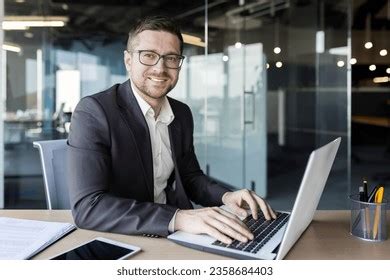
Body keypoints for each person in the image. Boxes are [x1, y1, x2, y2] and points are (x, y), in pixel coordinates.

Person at [67, 15, 276, 245]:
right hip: (123, 237)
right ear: (128, 61)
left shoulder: (181, 114)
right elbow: (88, 207)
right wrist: (179, 218)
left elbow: (190, 177)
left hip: (176, 233)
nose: (160, 68)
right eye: (148, 56)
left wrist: (226, 196)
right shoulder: (95, 112)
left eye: (171, 58)